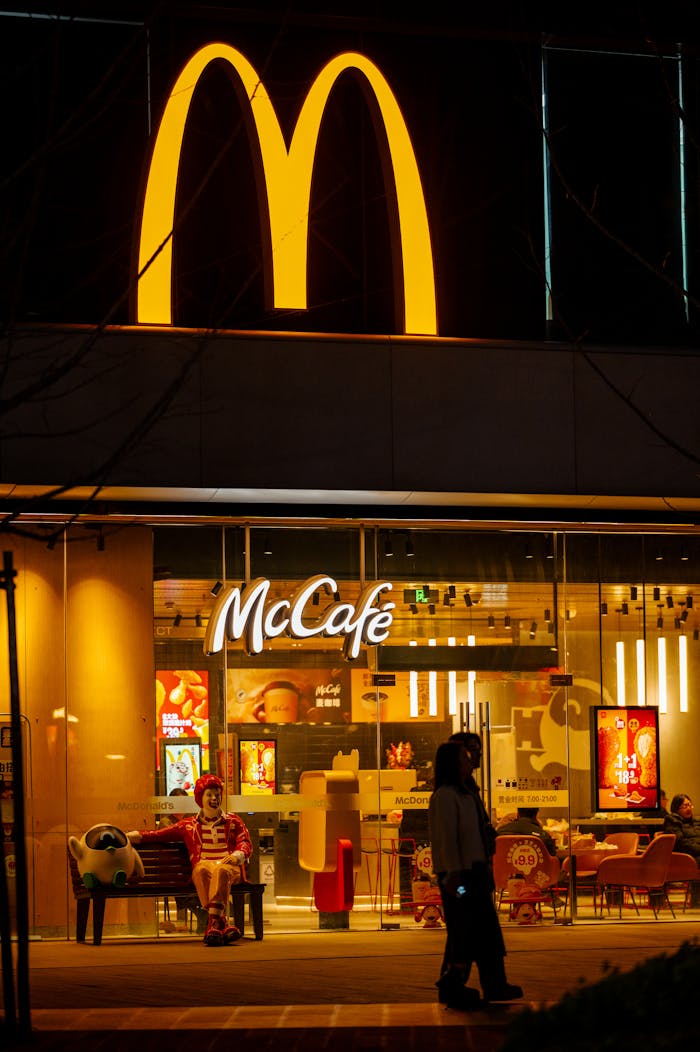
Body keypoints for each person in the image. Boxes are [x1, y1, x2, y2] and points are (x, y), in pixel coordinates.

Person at [429, 739, 523, 1011]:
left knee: (483, 930)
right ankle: (455, 983)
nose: (470, 761)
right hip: (460, 877)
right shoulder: (447, 796)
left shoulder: (466, 793)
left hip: (475, 871)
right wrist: (453, 874)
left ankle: (491, 982)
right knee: (467, 929)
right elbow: (446, 838)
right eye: (464, 757)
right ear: (453, 763)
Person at [128, 773, 253, 946]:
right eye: (209, 795)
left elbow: (245, 842)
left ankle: (213, 923)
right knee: (201, 870)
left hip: (228, 866)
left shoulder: (233, 821)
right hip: (204, 865)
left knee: (221, 870)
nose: (214, 798)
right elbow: (159, 834)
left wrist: (237, 855)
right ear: (201, 798)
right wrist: (137, 836)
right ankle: (221, 922)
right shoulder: (189, 825)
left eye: (217, 794)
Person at [664, 794, 700, 860]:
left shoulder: (696, 821)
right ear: (676, 808)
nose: (689, 809)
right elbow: (681, 843)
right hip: (686, 858)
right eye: (685, 806)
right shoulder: (672, 820)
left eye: (690, 805)